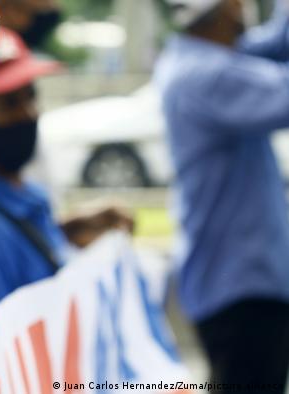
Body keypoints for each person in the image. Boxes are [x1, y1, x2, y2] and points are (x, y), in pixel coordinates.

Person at [0, 28, 133, 354]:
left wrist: (64, 232)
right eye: (9, 103)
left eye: (30, 95)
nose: (28, 113)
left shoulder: (19, 195)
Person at [154, 0, 289, 391]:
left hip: (234, 281)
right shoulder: (208, 75)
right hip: (241, 287)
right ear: (229, 7)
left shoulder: (197, 59)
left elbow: (277, 43)